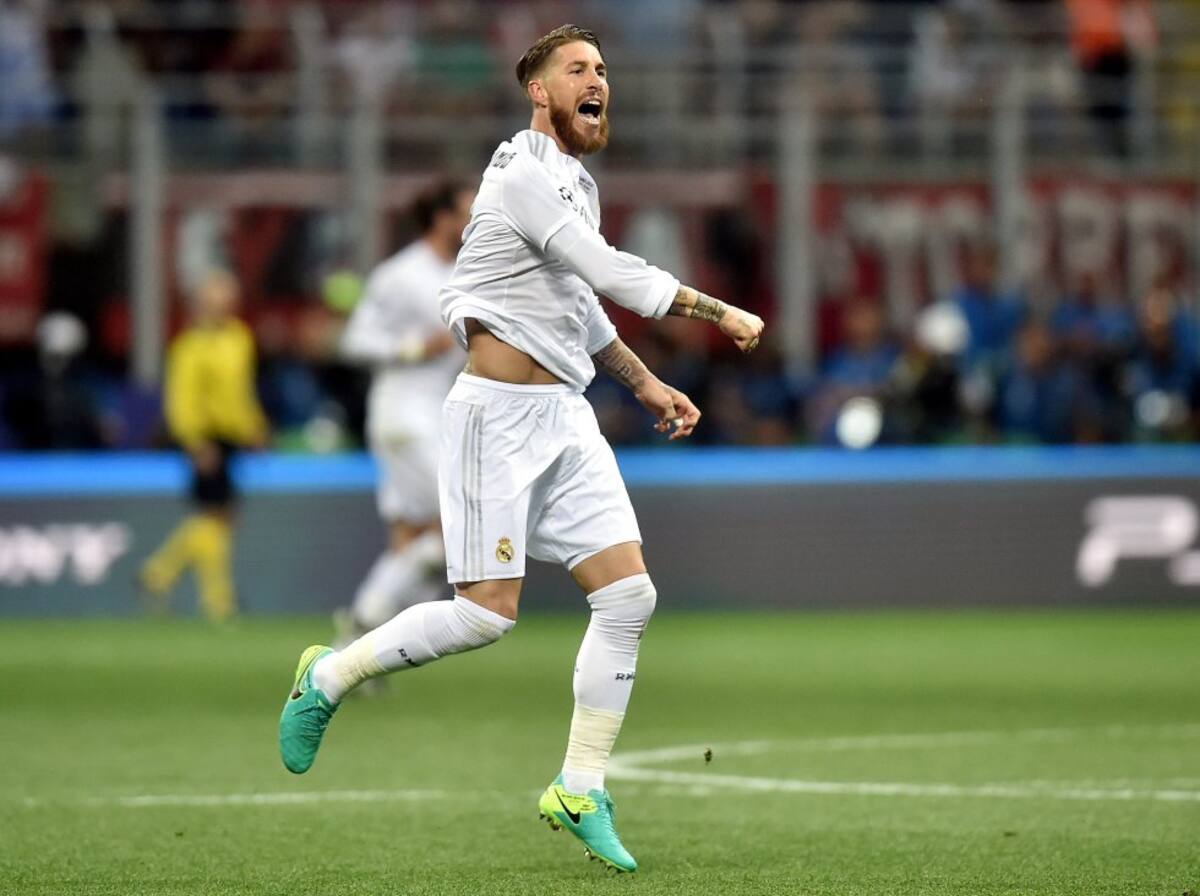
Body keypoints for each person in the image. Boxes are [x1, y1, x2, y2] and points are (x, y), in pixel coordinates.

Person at [278, 24, 764, 874]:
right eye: (577, 68)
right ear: (537, 90)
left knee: (629, 599)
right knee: (483, 615)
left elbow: (583, 309)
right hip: (493, 416)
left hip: (566, 418)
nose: (598, 79)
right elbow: (609, 272)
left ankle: (580, 787)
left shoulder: (578, 183)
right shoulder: (520, 176)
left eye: (604, 69)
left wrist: (646, 384)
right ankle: (328, 677)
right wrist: (717, 312)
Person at [334, 179, 474, 644]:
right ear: (442, 218)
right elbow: (354, 340)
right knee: (464, 519)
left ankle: (357, 651)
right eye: (466, 211)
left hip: (435, 416)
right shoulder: (401, 274)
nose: (475, 220)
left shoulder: (468, 273)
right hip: (404, 416)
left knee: (412, 538)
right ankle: (367, 617)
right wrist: (414, 347)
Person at [139, 270, 268, 621]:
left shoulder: (240, 338)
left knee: (218, 516)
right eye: (216, 301)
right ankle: (216, 600)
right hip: (206, 437)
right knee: (216, 515)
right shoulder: (188, 347)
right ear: (201, 305)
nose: (223, 307)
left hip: (230, 438)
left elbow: (242, 391)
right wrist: (195, 442)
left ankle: (160, 573)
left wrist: (253, 426)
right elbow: (180, 400)